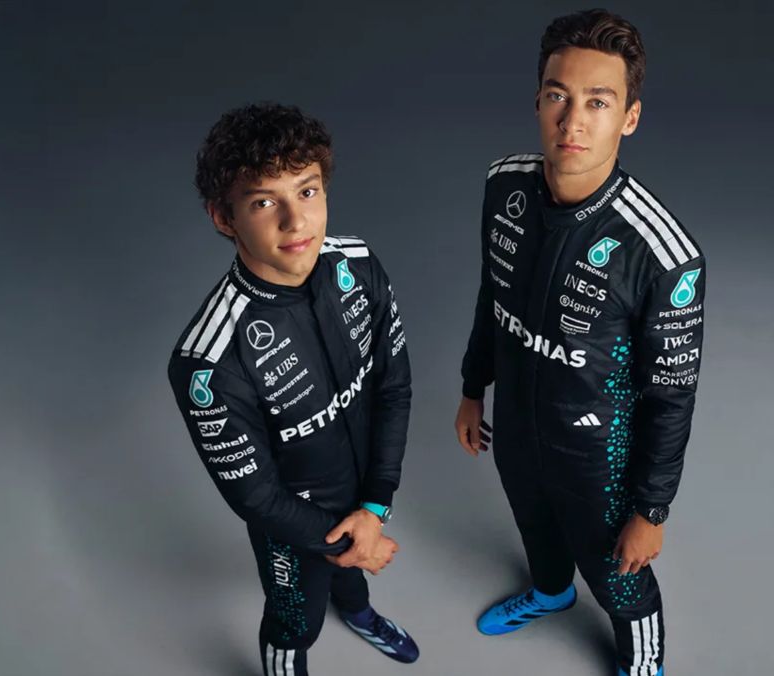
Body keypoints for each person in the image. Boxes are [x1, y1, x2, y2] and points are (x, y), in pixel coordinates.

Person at [454, 9, 705, 676]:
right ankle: (550, 592)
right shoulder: (504, 185)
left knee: (619, 576)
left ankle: (642, 663)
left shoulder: (662, 254)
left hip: (597, 455)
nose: (573, 121)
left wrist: (651, 510)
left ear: (629, 117)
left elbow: (672, 397)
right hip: (516, 424)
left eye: (598, 101)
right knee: (534, 524)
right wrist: (473, 388)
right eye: (558, 96)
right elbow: (493, 293)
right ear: (538, 101)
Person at [168, 103, 418, 676]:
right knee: (294, 621)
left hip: (363, 500)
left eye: (307, 191)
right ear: (223, 217)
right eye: (264, 202)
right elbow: (256, 498)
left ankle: (359, 614)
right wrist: (352, 541)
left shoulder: (360, 265)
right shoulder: (207, 361)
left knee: (351, 582)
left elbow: (393, 388)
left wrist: (375, 506)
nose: (296, 221)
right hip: (293, 528)